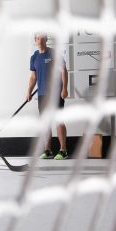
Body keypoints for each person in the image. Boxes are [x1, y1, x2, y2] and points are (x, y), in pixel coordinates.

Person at [26, 32, 69, 160]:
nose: (40, 40)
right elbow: (33, 77)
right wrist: (28, 91)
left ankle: (63, 150)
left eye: (42, 38)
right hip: (42, 94)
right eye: (38, 38)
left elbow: (63, 71)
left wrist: (65, 88)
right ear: (35, 40)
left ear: (46, 39)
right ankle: (48, 149)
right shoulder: (34, 57)